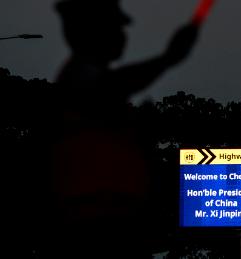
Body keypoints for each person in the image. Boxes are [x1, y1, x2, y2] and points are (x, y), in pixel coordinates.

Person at [46, 0, 201, 258]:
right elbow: (111, 86)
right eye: (115, 27)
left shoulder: (91, 90)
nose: (123, 36)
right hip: (95, 231)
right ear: (91, 31)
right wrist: (167, 59)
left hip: (112, 226)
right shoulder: (79, 79)